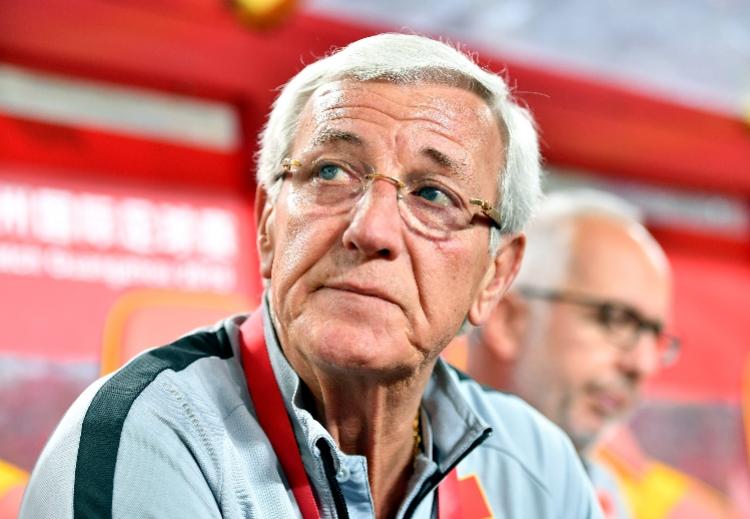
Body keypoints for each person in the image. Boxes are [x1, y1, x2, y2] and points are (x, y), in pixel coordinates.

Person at [20, 34, 602, 518]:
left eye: (432, 194)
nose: (370, 228)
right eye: (331, 172)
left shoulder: (537, 469)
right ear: (267, 225)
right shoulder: (152, 439)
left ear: (495, 276)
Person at [453, 189, 734, 518]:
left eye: (655, 337)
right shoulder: (414, 468)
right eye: (616, 319)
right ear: (508, 320)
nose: (642, 364)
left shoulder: (623, 501)